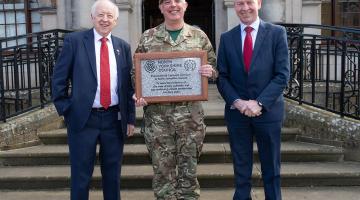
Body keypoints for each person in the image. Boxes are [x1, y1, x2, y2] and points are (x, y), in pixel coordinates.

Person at [133, 0, 217, 199]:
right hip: (158, 119)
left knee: (189, 172)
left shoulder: (199, 36)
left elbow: (213, 67)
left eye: (178, 1)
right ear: (161, 7)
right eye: (167, 2)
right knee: (163, 174)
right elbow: (136, 72)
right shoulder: (148, 37)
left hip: (190, 119)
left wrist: (210, 71)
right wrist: (138, 92)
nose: (173, 5)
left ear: (186, 5)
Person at [51, 0, 135, 199]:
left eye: (109, 16)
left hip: (114, 120)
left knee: (113, 176)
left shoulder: (122, 47)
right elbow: (58, 79)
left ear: (115, 20)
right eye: (100, 15)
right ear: (92, 17)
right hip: (83, 120)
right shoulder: (75, 41)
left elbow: (127, 87)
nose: (105, 19)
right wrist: (66, 110)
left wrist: (130, 118)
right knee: (81, 176)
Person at [216, 0, 290, 199]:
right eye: (239, 3)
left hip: (268, 112)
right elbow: (222, 76)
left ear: (259, 3)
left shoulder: (276, 33)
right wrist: (238, 102)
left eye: (249, 2)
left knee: (271, 169)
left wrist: (259, 103)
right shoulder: (227, 38)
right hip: (237, 114)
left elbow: (282, 75)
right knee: (241, 168)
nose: (245, 7)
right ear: (234, 7)